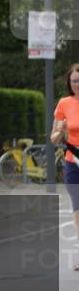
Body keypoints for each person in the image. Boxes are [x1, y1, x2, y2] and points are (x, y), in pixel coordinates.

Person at [50, 63, 79, 270]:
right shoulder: (64, 103)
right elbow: (53, 139)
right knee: (78, 208)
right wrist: (60, 131)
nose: (78, 84)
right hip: (73, 161)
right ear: (70, 83)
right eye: (75, 81)